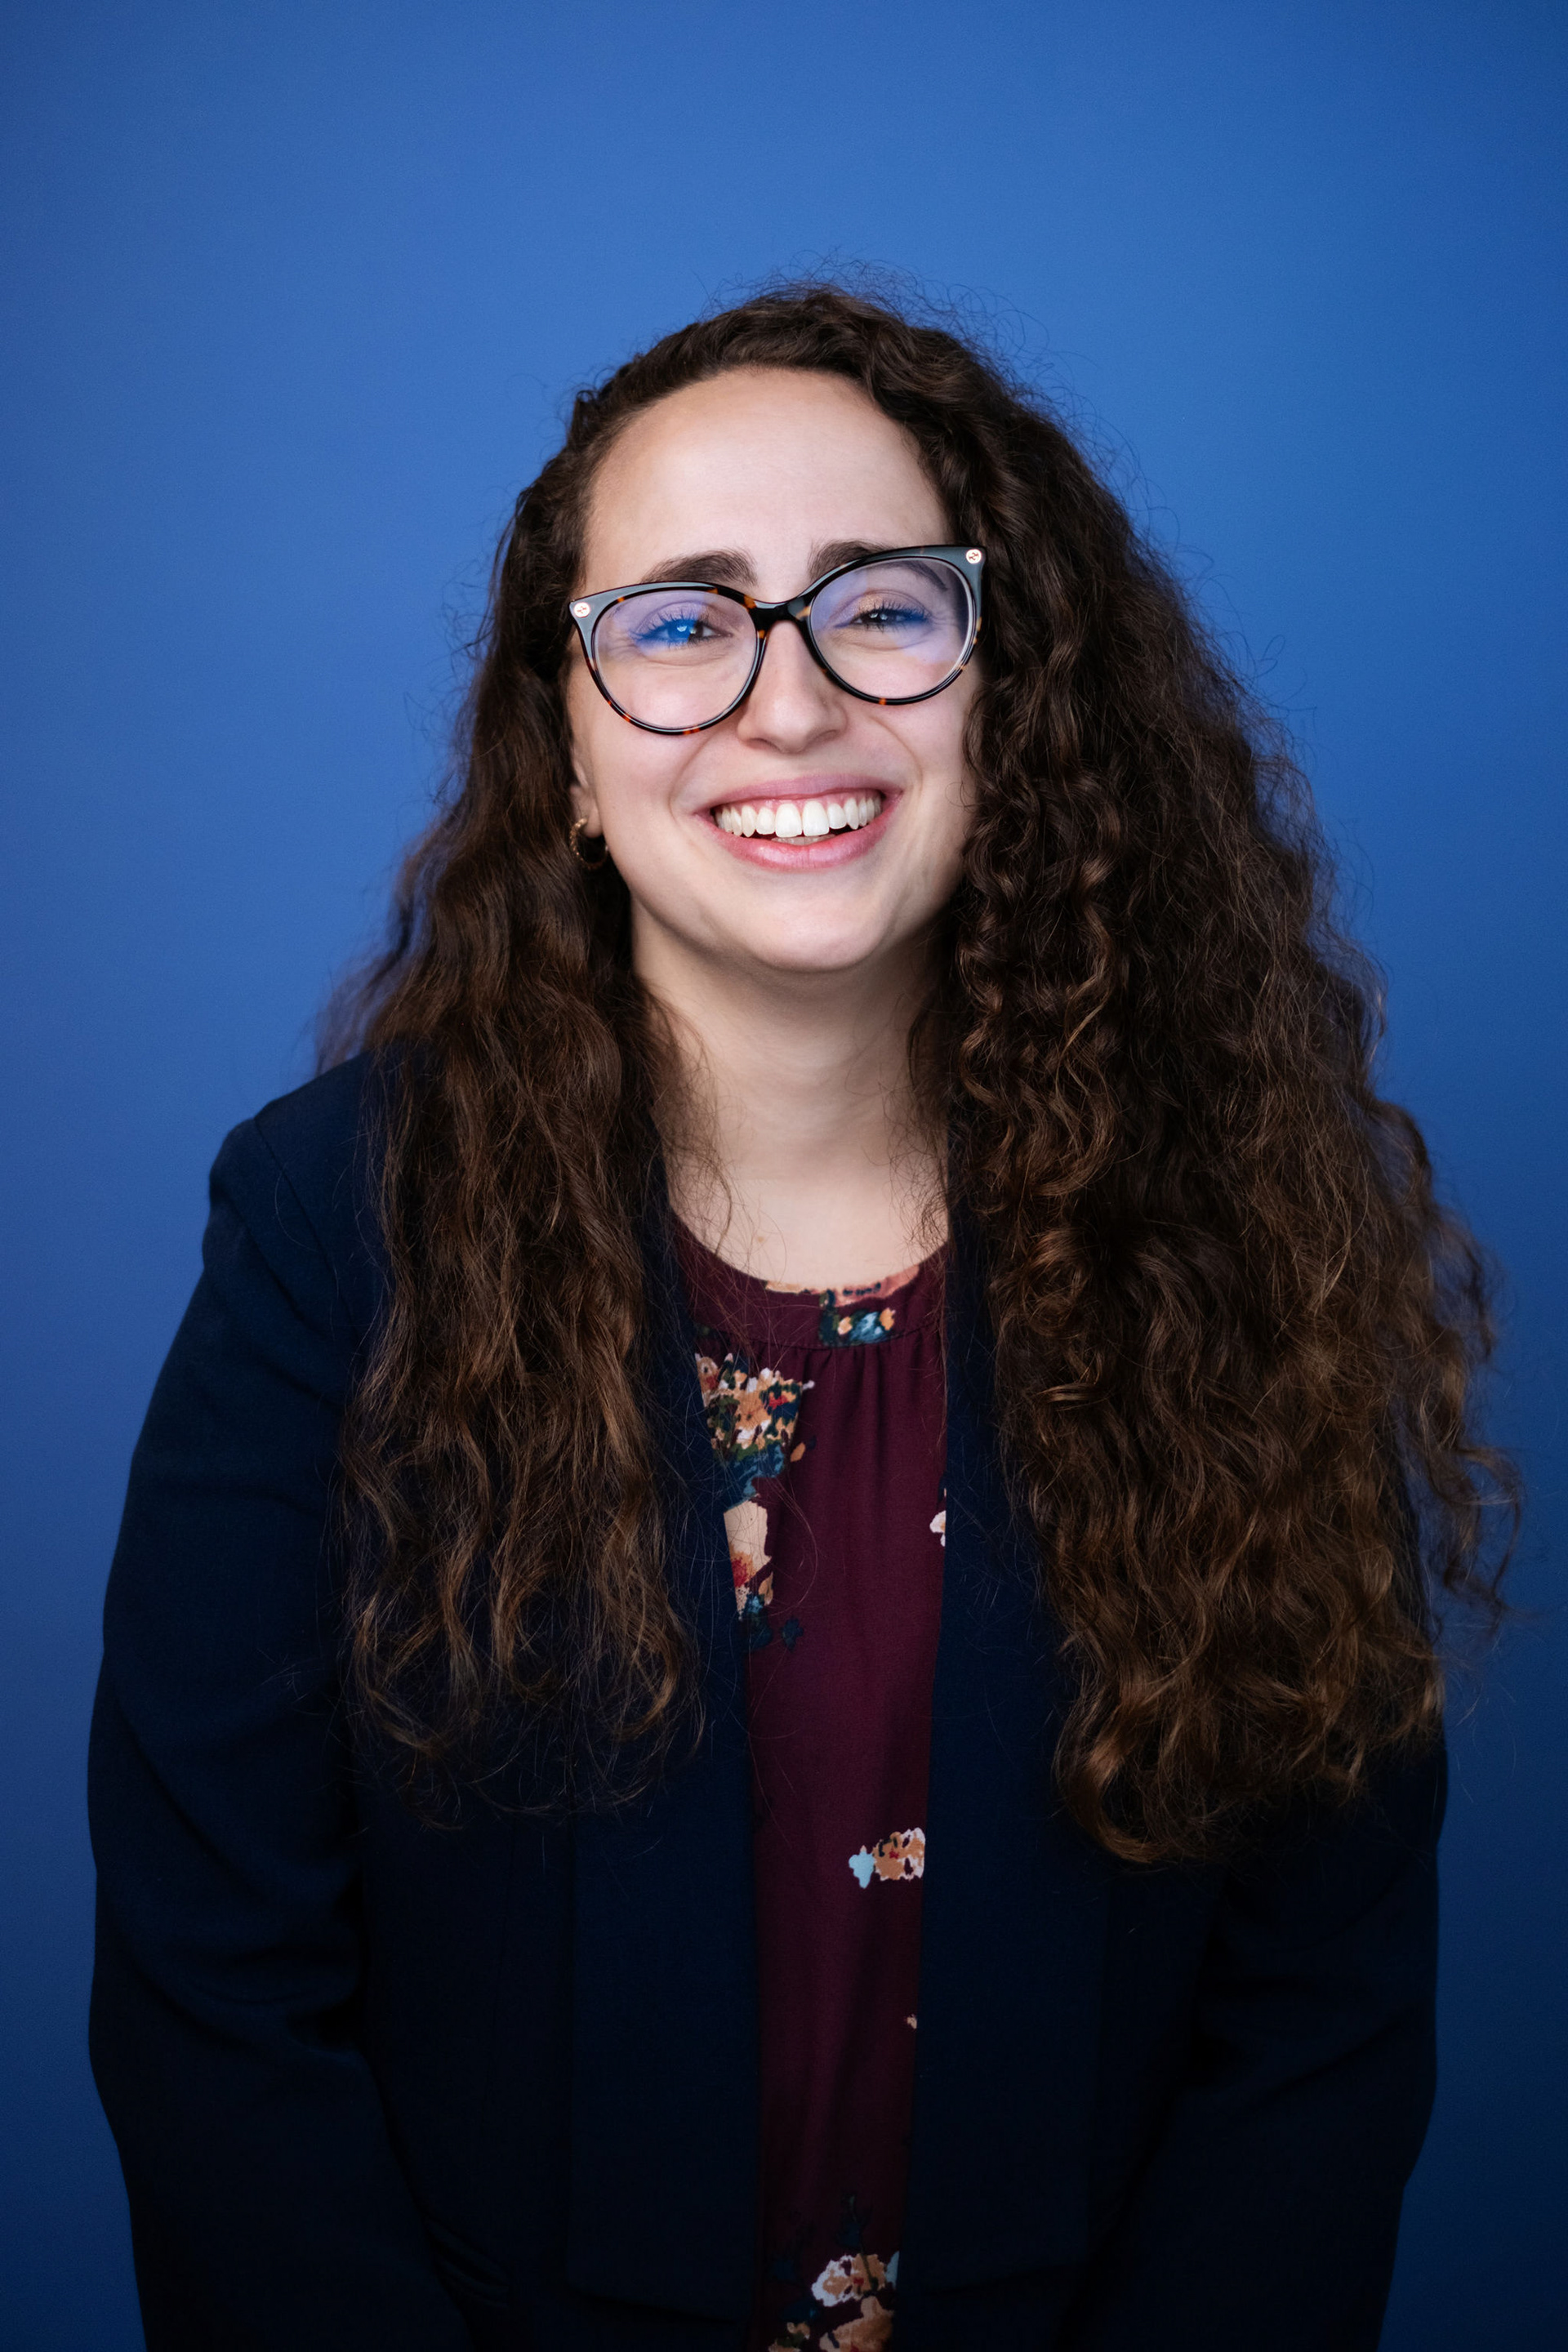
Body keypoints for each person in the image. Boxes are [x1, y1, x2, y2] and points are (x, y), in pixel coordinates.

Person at [88, 283, 1513, 2352]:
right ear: (569, 755)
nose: (790, 702)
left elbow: (1318, 2030)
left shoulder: (1234, 1241)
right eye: (683, 623)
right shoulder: (332, 1230)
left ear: (1008, 694)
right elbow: (217, 1998)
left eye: (881, 607)